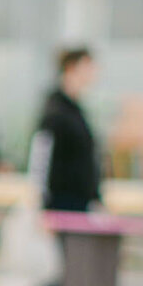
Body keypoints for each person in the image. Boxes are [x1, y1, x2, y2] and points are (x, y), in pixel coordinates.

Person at [29, 47, 102, 215]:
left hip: (78, 204)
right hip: (59, 205)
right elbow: (40, 159)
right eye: (87, 67)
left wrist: (95, 197)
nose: (92, 73)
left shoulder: (76, 111)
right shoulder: (56, 110)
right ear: (70, 68)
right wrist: (40, 206)